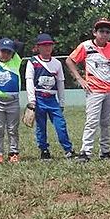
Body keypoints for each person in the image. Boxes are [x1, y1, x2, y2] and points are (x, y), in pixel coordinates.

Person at [66, 19, 110, 161]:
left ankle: (105, 151)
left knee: (106, 122)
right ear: (94, 33)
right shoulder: (86, 46)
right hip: (94, 90)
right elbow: (69, 60)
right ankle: (86, 152)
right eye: (101, 31)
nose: (104, 34)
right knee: (92, 121)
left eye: (107, 32)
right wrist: (80, 79)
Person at [25, 33, 74, 161]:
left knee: (60, 124)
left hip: (52, 99)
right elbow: (29, 81)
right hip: (39, 98)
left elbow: (60, 83)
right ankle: (44, 150)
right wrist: (32, 100)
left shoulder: (56, 63)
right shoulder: (33, 62)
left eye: (49, 45)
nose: (47, 48)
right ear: (38, 47)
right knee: (41, 126)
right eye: (44, 45)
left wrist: (61, 102)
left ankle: (68, 149)